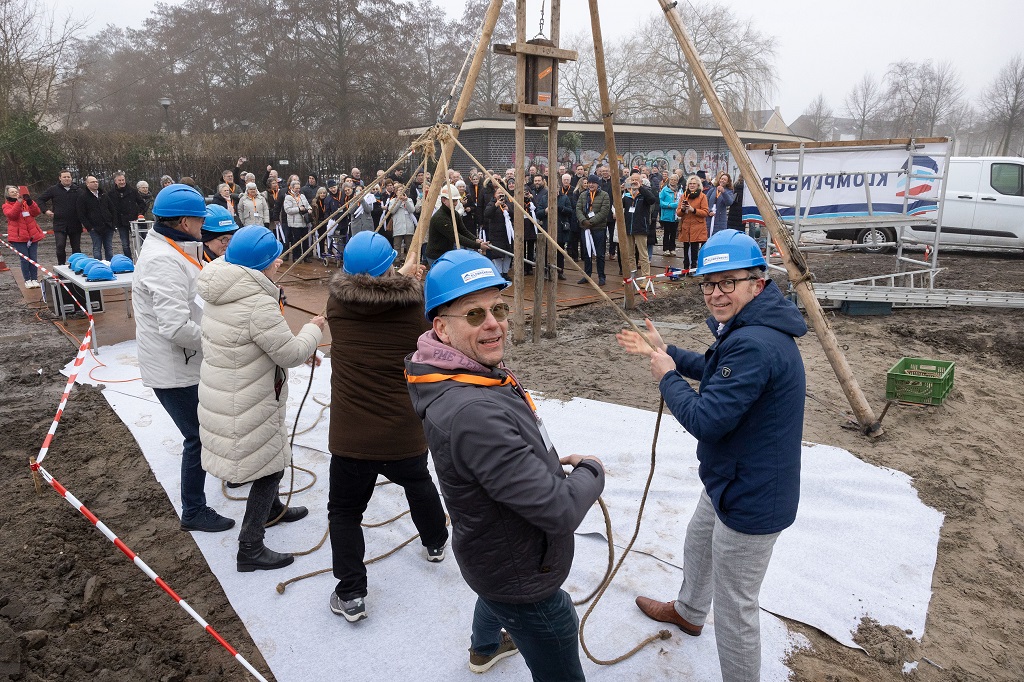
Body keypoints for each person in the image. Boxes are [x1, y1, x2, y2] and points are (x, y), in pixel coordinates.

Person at [615, 229, 806, 682]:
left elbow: (706, 419)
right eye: (708, 283)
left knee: (737, 605)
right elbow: (719, 370)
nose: (715, 293)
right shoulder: (747, 329)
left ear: (756, 283)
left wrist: (666, 376)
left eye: (728, 282)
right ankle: (688, 611)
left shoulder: (756, 342)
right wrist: (669, 354)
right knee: (698, 542)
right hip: (732, 475)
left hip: (753, 493)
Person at [406, 249, 605, 679]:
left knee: (493, 595)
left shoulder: (462, 373)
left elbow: (504, 447)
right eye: (474, 315)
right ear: (441, 328)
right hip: (521, 573)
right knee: (558, 631)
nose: (494, 322)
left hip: (493, 554)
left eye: (497, 308)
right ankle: (497, 640)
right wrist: (591, 471)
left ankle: (484, 649)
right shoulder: (472, 411)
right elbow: (559, 511)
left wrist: (547, 460)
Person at [325, 231, 448, 622]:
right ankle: (435, 542)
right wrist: (410, 278)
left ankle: (351, 593)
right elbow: (402, 298)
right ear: (390, 269)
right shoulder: (418, 307)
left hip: (352, 434)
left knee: (344, 512)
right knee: (418, 483)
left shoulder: (336, 306)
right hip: (402, 429)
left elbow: (368, 293)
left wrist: (400, 275)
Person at [196, 225, 322, 572]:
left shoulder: (223, 288)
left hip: (230, 390)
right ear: (259, 265)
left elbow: (259, 344)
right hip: (245, 398)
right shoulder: (256, 304)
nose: (279, 263)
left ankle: (272, 510)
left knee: (270, 457)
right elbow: (291, 353)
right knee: (270, 466)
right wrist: (314, 329)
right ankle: (250, 547)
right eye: (273, 259)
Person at [133, 184, 234, 533]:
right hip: (175, 367)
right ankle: (194, 510)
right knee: (198, 436)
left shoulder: (174, 248)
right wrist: (220, 339)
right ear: (185, 220)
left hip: (189, 359)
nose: (204, 225)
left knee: (213, 424)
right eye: (200, 218)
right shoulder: (162, 260)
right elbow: (175, 326)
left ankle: (232, 473)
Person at [425, 185, 487, 266]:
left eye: (456, 200)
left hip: (447, 253)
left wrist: (476, 239)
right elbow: (455, 237)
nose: (455, 203)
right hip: (436, 255)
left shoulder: (454, 213)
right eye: (453, 200)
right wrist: (478, 246)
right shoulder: (440, 218)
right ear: (444, 200)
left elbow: (463, 231)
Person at [4, 185, 45, 288]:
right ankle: (27, 279)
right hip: (18, 237)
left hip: (32, 235)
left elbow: (36, 212)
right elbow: (12, 215)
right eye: (12, 192)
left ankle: (34, 278)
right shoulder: (6, 205)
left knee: (33, 258)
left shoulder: (26, 203)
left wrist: (30, 202)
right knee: (24, 259)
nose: (14, 193)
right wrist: (18, 203)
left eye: (16, 191)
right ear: (7, 194)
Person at [38, 170, 82, 265]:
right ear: (60, 178)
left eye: (68, 177)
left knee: (76, 248)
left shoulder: (78, 190)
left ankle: (77, 266)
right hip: (60, 224)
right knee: (60, 246)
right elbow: (40, 200)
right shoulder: (53, 189)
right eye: (64, 177)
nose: (67, 179)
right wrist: (46, 211)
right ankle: (61, 266)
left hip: (75, 223)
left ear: (71, 178)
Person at [620, 172, 658, 280]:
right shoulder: (627, 195)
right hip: (629, 228)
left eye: (636, 180)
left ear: (641, 181)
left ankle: (646, 278)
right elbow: (617, 204)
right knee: (630, 254)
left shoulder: (645, 193)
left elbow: (652, 200)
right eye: (632, 180)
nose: (634, 182)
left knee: (643, 254)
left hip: (641, 227)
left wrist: (640, 188)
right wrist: (620, 190)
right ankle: (632, 275)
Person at [575, 174, 610, 285]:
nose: (591, 185)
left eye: (593, 183)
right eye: (589, 182)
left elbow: (604, 212)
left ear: (597, 184)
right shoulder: (583, 195)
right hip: (585, 229)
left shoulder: (604, 195)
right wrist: (583, 221)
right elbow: (578, 209)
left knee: (599, 254)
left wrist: (591, 222)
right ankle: (587, 275)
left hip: (598, 228)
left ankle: (601, 276)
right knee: (587, 253)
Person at [107, 172, 146, 259]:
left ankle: (141, 259)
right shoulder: (111, 194)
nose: (122, 182)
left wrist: (139, 214)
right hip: (121, 222)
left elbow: (142, 204)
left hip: (134, 221)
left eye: (123, 180)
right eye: (119, 180)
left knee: (139, 242)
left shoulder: (133, 191)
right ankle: (129, 260)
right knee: (125, 244)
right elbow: (109, 208)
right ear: (115, 181)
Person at [77, 176, 115, 261]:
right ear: (87, 184)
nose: (95, 183)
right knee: (97, 249)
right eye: (92, 182)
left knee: (109, 248)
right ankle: (98, 266)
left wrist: (112, 223)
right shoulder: (83, 197)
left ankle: (110, 266)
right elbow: (81, 214)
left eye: (96, 182)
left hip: (108, 226)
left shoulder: (104, 195)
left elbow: (112, 209)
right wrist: (90, 227)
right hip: (95, 228)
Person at [676, 175, 709, 272]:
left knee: (695, 247)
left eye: (694, 183)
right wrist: (682, 209)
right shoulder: (684, 195)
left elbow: (705, 212)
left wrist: (693, 210)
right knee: (686, 247)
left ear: (698, 185)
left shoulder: (702, 196)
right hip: (686, 225)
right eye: (690, 183)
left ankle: (694, 267)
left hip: (697, 226)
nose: (692, 185)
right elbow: (678, 213)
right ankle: (686, 267)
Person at [386, 183, 417, 262]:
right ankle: (397, 259)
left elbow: (412, 210)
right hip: (398, 225)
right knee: (397, 245)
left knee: (409, 244)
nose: (401, 192)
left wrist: (406, 201)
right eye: (399, 190)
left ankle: (409, 260)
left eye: (402, 190)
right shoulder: (393, 201)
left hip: (408, 225)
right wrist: (399, 201)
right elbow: (392, 210)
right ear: (396, 192)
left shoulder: (409, 200)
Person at [283, 180, 313, 262]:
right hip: (294, 223)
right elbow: (288, 210)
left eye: (299, 188)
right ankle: (296, 257)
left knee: (305, 240)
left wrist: (310, 209)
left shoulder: (302, 196)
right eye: (296, 188)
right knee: (296, 240)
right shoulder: (288, 197)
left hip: (304, 222)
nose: (298, 190)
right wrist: (298, 209)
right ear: (292, 188)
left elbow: (307, 204)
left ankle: (306, 256)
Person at [659, 174, 680, 257]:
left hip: (675, 215)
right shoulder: (665, 190)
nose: (673, 181)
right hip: (667, 215)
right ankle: (666, 249)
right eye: (671, 179)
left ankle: (672, 248)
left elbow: (681, 199)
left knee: (674, 233)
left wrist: (677, 205)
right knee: (667, 232)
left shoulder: (679, 190)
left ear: (677, 181)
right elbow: (660, 202)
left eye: (675, 180)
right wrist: (670, 205)